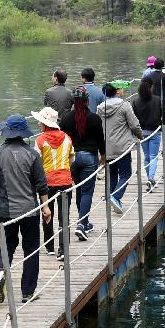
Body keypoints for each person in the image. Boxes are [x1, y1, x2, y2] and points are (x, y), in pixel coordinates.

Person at [0, 114, 50, 304]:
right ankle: (27, 292)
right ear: (23, 134)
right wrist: (46, 207)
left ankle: (1, 277)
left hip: (7, 211)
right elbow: (41, 184)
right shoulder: (32, 155)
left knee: (5, 248)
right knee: (31, 250)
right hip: (30, 210)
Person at [59, 86, 106, 241]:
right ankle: (81, 224)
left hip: (71, 158)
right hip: (89, 157)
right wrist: (103, 156)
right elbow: (100, 139)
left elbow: (63, 140)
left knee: (79, 189)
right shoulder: (94, 118)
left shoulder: (65, 119)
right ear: (87, 100)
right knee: (87, 191)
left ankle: (84, 222)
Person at [31, 106, 74, 261]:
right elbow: (71, 159)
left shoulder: (40, 140)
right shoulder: (67, 138)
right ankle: (63, 249)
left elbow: (35, 162)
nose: (38, 124)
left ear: (45, 124)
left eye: (40, 122)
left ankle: (49, 246)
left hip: (47, 182)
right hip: (65, 181)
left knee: (47, 213)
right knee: (64, 217)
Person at [97, 83, 142, 214]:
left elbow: (99, 127)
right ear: (116, 92)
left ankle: (111, 198)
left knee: (111, 175)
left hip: (107, 147)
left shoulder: (100, 109)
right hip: (123, 147)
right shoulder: (124, 105)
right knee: (125, 174)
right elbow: (134, 124)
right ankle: (115, 197)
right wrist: (140, 135)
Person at [131, 78, 165, 190]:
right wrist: (164, 123)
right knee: (153, 156)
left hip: (142, 132)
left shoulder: (135, 101)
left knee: (146, 156)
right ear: (150, 87)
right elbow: (164, 113)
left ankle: (149, 177)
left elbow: (133, 118)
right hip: (155, 131)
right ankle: (151, 178)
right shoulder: (157, 100)